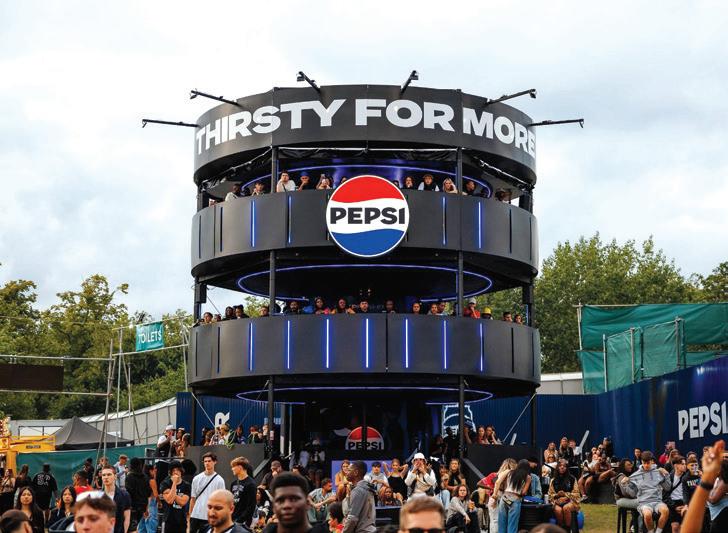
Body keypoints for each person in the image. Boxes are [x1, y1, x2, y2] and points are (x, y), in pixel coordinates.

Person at [623, 450, 671, 533]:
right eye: (644, 463)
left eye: (648, 463)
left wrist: (666, 475)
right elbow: (633, 494)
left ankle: (658, 532)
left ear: (652, 461)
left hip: (657, 501)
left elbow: (667, 488)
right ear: (641, 462)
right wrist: (625, 485)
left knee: (665, 510)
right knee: (647, 515)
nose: (646, 465)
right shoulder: (635, 475)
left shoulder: (658, 472)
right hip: (644, 503)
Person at [190, 452, 226, 533]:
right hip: (195, 515)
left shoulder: (220, 480)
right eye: (205, 461)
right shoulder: (196, 478)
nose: (207, 463)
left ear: (215, 462)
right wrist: (190, 515)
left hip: (210, 516)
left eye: (209, 461)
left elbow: (222, 501)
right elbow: (193, 498)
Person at [494, 459, 531, 533]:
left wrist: (494, 494)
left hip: (504, 498)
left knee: (502, 524)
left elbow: (498, 482)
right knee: (512, 525)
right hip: (515, 499)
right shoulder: (528, 477)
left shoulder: (509, 472)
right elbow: (523, 492)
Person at [341, 461, 375, 533]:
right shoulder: (367, 488)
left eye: (349, 470)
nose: (346, 472)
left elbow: (352, 518)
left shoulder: (358, 490)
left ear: (356, 472)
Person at [548, 460, 580, 531]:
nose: (562, 467)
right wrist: (557, 496)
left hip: (570, 501)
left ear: (567, 468)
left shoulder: (572, 479)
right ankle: (561, 529)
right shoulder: (553, 480)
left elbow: (576, 494)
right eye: (560, 466)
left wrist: (565, 495)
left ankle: (567, 530)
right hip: (557, 501)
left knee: (566, 508)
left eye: (564, 466)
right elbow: (550, 495)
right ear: (557, 467)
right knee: (558, 510)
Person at [160, 461, 190, 533]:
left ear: (181, 471)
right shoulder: (165, 484)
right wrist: (174, 483)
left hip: (182, 521)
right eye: (173, 470)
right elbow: (170, 500)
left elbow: (182, 502)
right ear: (170, 472)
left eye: (178, 470)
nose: (176, 472)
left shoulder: (187, 485)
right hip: (168, 520)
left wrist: (171, 493)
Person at [100, 465, 131, 533]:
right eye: (103, 475)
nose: (106, 477)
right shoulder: (97, 496)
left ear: (115, 476)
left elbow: (127, 517)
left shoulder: (124, 495)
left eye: (109, 474)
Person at [124, 458, 149, 533]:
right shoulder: (145, 477)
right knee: (135, 527)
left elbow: (128, 493)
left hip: (132, 506)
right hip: (142, 506)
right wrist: (146, 508)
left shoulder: (129, 477)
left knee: (130, 528)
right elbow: (148, 493)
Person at [230, 457, 256, 527]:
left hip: (243, 522)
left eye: (233, 467)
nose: (232, 469)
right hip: (232, 519)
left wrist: (240, 520)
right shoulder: (233, 483)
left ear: (240, 467)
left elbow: (251, 506)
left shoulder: (250, 484)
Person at [707, 458, 728, 532]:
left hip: (722, 516)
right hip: (718, 517)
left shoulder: (724, 482)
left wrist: (704, 492)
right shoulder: (719, 480)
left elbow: (713, 500)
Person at [136, 464, 158, 533]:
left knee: (141, 528)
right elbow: (155, 494)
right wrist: (159, 502)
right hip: (150, 503)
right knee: (151, 528)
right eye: (154, 470)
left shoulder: (140, 480)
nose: (155, 471)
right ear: (150, 471)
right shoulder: (151, 481)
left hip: (141, 504)